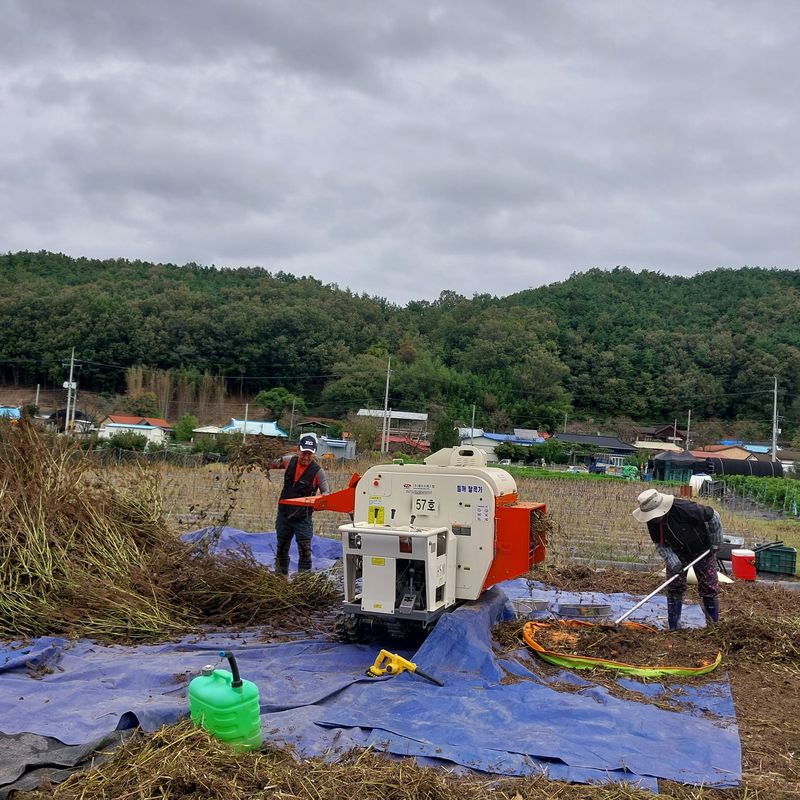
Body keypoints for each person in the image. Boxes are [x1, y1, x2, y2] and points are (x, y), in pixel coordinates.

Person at [632, 488, 723, 630]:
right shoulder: (653, 522)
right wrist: (672, 560)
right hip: (677, 551)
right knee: (674, 586)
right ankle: (674, 626)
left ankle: (713, 626)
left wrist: (716, 542)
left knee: (708, 586)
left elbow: (714, 516)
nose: (653, 519)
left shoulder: (683, 508)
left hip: (702, 548)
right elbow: (660, 543)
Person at [275, 434, 329, 575]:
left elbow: (326, 493)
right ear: (298, 450)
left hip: (303, 518)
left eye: (309, 454)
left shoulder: (318, 472)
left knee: (305, 550)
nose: (305, 457)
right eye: (303, 453)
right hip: (284, 514)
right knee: (282, 547)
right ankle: (279, 579)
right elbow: (272, 463)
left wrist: (319, 502)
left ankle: (303, 583)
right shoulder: (288, 461)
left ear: (314, 453)